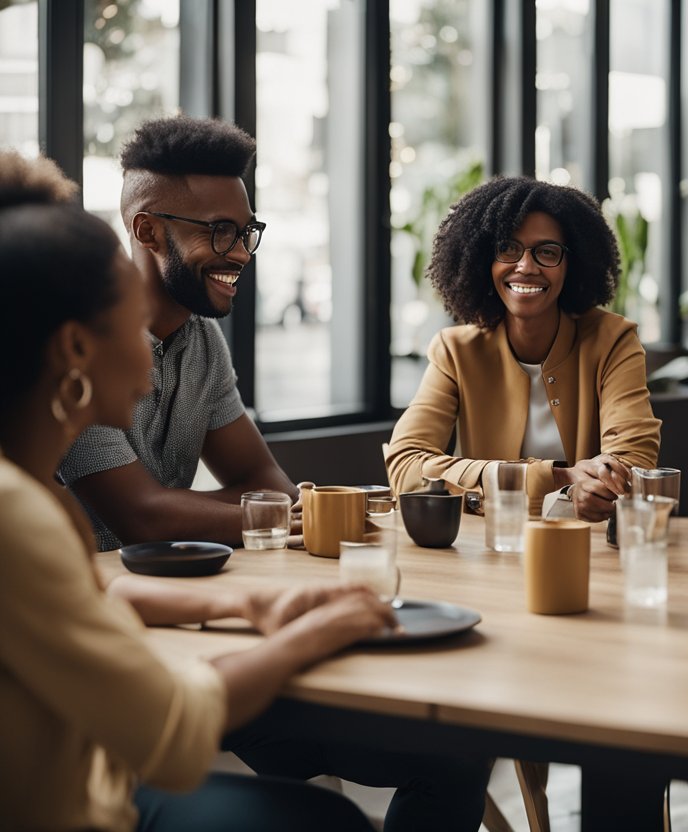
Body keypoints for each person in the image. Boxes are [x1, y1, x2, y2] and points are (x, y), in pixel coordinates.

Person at [0, 150, 394, 831]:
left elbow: (98, 593)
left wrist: (252, 601)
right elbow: (175, 738)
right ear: (74, 351)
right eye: (130, 326)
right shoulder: (16, 513)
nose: (152, 370)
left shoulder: (28, 496)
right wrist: (313, 634)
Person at [58, 115, 296, 551]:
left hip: (174, 589)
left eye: (245, 233)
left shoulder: (203, 340)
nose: (242, 253)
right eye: (221, 231)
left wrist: (176, 510)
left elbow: (271, 486)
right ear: (148, 230)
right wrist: (256, 514)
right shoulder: (78, 346)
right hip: (75, 598)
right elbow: (140, 520)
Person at [385, 176, 661, 522]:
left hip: (587, 549)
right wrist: (559, 478)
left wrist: (598, 486)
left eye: (547, 252)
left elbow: (632, 464)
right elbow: (405, 467)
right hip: (487, 549)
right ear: (484, 260)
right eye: (508, 248)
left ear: (570, 265)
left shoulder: (613, 341)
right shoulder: (455, 351)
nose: (526, 267)